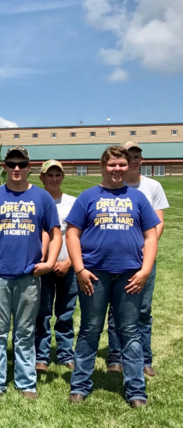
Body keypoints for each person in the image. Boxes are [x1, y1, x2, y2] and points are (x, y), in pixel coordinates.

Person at [67, 146, 159, 408]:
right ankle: (80, 385)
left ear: (128, 166)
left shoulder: (138, 198)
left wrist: (144, 271)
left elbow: (151, 236)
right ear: (103, 166)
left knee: (130, 332)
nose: (117, 169)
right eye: (112, 165)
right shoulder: (87, 197)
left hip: (130, 274)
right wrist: (80, 269)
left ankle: (136, 391)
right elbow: (72, 234)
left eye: (121, 164)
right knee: (89, 329)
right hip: (94, 275)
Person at [0, 146, 62, 400]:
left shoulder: (42, 199)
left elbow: (56, 235)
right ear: (4, 167)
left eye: (21, 165)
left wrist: (49, 262)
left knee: (25, 332)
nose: (16, 169)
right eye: (11, 164)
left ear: (29, 167)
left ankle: (26, 383)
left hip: (29, 277)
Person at [107, 141, 168, 377]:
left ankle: (144, 358)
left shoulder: (152, 186)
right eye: (128, 156)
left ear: (141, 160)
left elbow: (158, 222)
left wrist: (145, 250)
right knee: (115, 310)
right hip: (117, 260)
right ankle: (115, 357)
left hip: (143, 259)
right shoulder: (112, 188)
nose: (133, 160)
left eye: (136, 156)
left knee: (142, 309)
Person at [34, 160, 78, 372]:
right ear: (41, 177)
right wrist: (45, 263)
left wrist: (70, 261)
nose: (53, 179)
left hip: (68, 265)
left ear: (62, 177)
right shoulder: (35, 201)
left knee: (66, 312)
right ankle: (41, 355)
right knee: (41, 312)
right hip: (42, 267)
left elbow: (79, 235)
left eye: (57, 175)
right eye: (49, 175)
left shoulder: (73, 202)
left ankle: (65, 353)